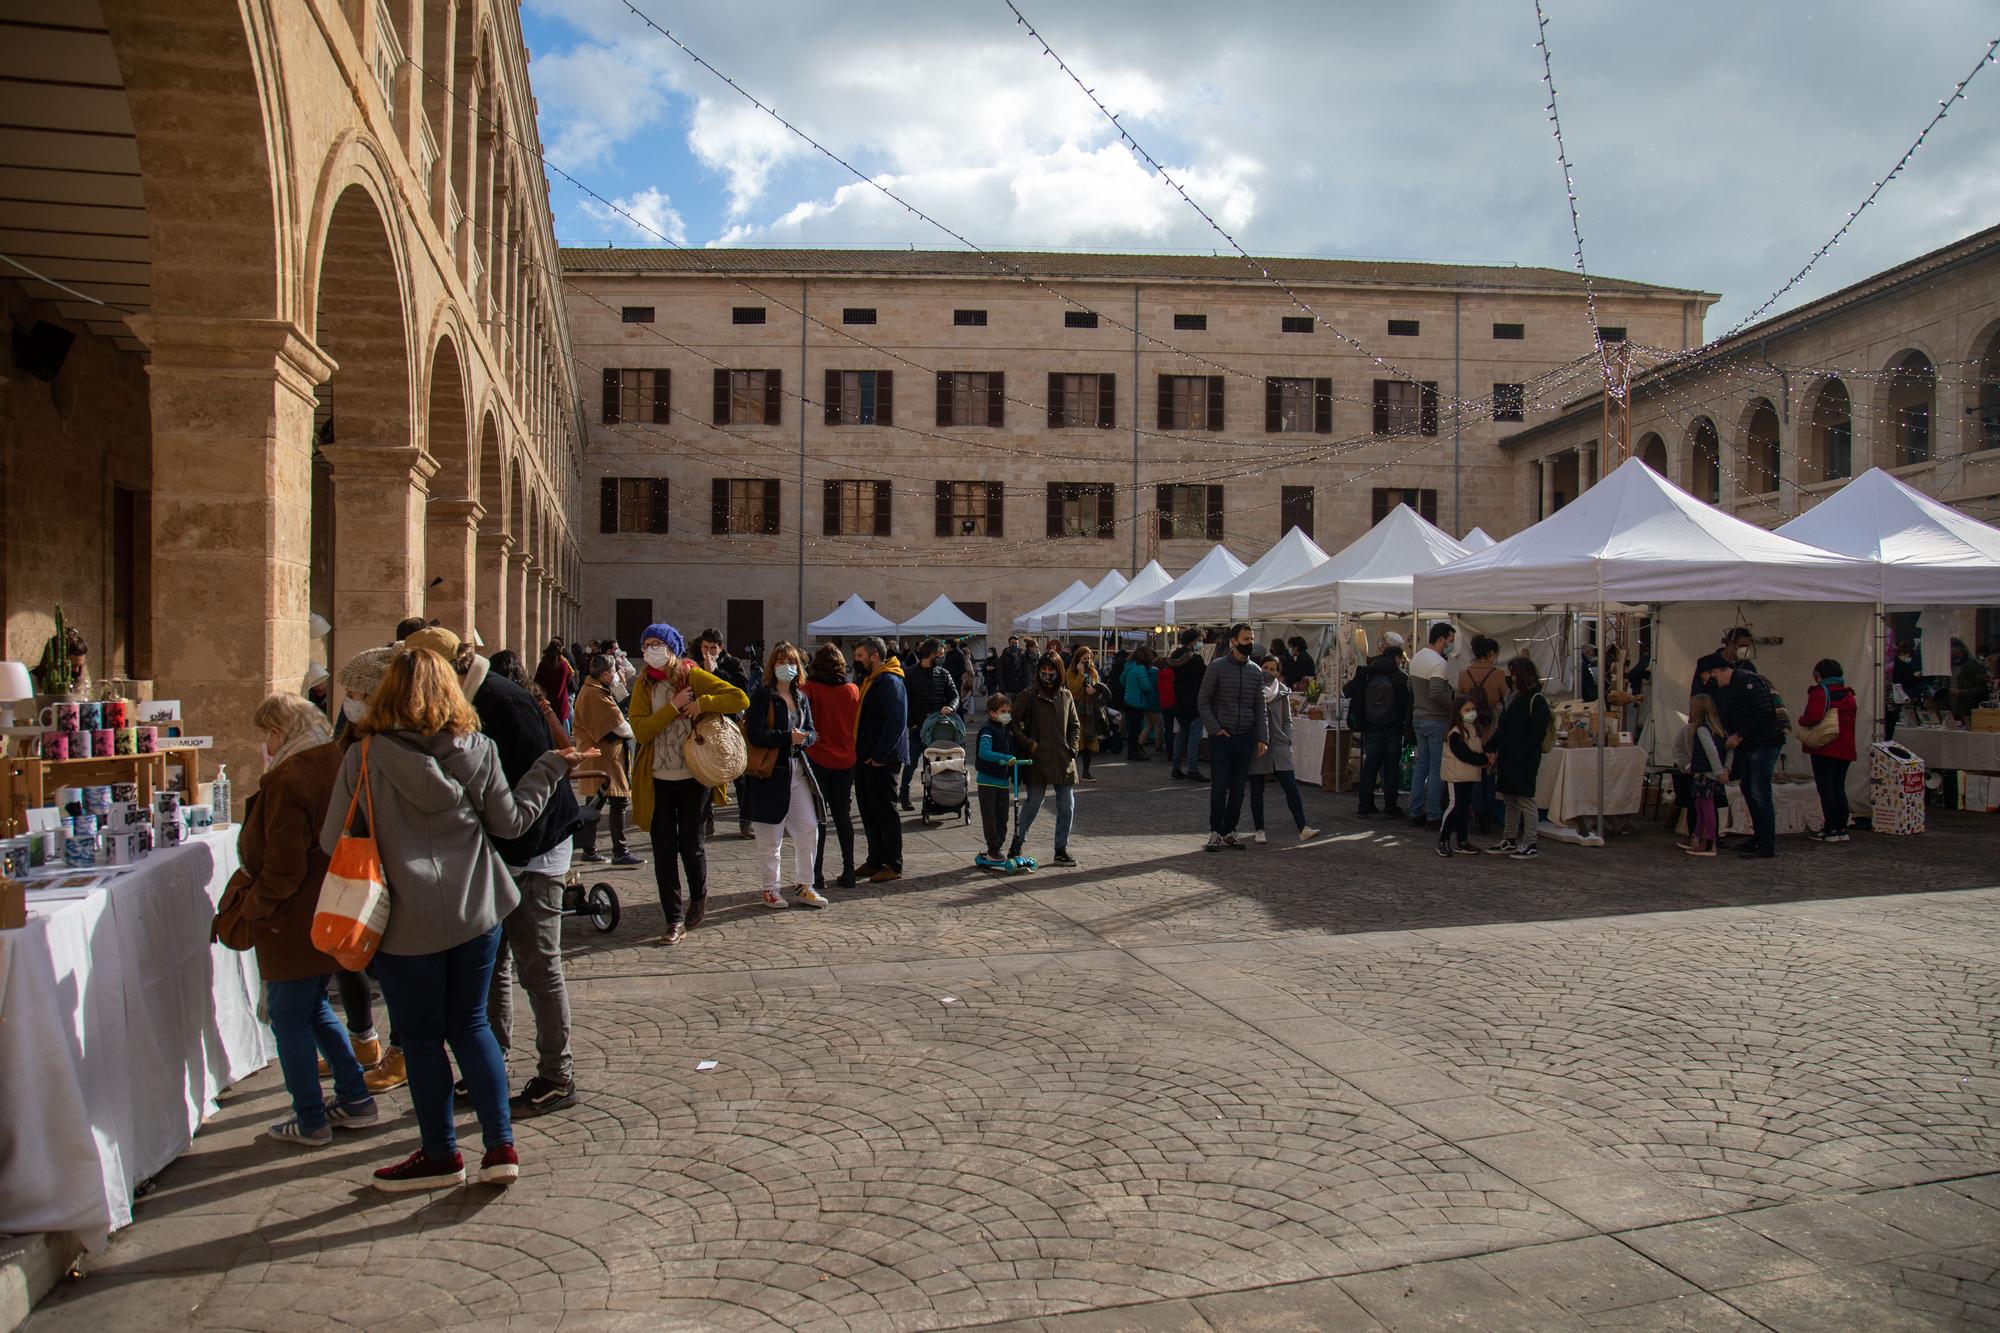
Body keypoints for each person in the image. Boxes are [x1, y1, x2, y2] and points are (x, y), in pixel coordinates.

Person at [321, 646, 581, 1191]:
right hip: (474, 908)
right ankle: (499, 1147)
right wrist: (550, 766)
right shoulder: (478, 749)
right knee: (471, 1025)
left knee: (419, 1039)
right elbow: (510, 824)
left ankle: (440, 1153)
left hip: (403, 920)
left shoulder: (364, 758)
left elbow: (332, 840)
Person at [407, 627, 586, 1116]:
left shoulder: (501, 700)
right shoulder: (470, 698)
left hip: (533, 849)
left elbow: (542, 776)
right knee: (494, 967)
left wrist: (515, 852)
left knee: (538, 964)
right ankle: (491, 1062)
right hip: (501, 850)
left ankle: (557, 1074)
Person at [225, 694, 376, 1146]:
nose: (265, 745)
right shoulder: (330, 759)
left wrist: (254, 906)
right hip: (325, 907)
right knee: (312, 1008)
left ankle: (310, 1116)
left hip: (292, 917)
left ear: (279, 732)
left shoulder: (290, 777)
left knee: (289, 1016)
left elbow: (283, 865)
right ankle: (355, 1097)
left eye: (266, 735)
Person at [629, 623, 750, 945]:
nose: (650, 650)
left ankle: (699, 896)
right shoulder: (643, 684)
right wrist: (672, 708)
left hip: (693, 776)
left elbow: (739, 698)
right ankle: (673, 919)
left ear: (671, 646)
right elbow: (641, 731)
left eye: (656, 643)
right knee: (663, 849)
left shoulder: (690, 675)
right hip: (657, 778)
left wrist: (702, 702)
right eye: (645, 645)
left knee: (691, 845)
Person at [331, 647, 399, 1089]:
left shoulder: (390, 747)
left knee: (391, 967)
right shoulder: (351, 738)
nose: (349, 700)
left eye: (357, 693)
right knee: (350, 956)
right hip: (361, 864)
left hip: (386, 867)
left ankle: (401, 1049)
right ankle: (364, 1040)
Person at [744, 642, 827, 910]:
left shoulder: (801, 696)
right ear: (772, 666)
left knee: (809, 829)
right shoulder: (762, 696)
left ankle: (805, 884)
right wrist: (786, 737)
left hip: (798, 769)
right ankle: (770, 888)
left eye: (791, 662)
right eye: (781, 662)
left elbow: (812, 730)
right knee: (771, 838)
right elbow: (754, 733)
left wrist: (806, 739)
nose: (786, 667)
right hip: (770, 773)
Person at [1198, 623, 1268, 851]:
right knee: (1220, 786)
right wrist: (1215, 728)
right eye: (1246, 639)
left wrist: (1262, 737)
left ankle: (1231, 829)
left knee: (1238, 788)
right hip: (1222, 736)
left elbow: (1260, 707)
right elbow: (1203, 700)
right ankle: (1216, 831)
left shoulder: (1255, 671)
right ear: (1234, 641)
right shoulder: (1217, 667)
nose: (1250, 643)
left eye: (1251, 639)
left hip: (1245, 736)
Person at [1009, 653, 1081, 866]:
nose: (1047, 674)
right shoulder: (1028, 695)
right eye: (1044, 670)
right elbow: (1012, 723)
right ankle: (1018, 840)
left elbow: (1075, 725)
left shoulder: (1066, 695)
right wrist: (1028, 743)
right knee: (1034, 801)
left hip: (1062, 757)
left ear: (1059, 671)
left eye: (1052, 670)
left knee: (1067, 804)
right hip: (1037, 758)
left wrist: (1073, 748)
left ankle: (1061, 848)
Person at [802, 644, 861, 892]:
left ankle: (817, 875)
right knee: (843, 817)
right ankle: (849, 871)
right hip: (846, 758)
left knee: (819, 819)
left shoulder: (810, 689)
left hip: (817, 757)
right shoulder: (852, 689)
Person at [573, 654, 641, 866]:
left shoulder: (593, 688)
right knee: (618, 801)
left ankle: (589, 848)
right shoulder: (596, 694)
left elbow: (621, 702)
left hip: (599, 755)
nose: (615, 675)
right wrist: (634, 729)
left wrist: (619, 686)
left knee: (595, 802)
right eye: (613, 672)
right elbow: (622, 726)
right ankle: (620, 850)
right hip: (604, 757)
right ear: (604, 674)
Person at [1714, 656, 1784, 859]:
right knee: (1748, 788)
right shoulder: (1733, 687)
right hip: (1753, 744)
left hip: (1764, 742)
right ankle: (1759, 837)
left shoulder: (1746, 681)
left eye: (1714, 674)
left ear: (1720, 670)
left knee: (1759, 791)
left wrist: (1739, 734)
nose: (1713, 679)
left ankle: (1766, 844)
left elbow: (1764, 712)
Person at [852, 636, 909, 883]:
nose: (856, 661)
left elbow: (896, 721)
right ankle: (875, 859)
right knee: (868, 810)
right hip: (865, 757)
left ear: (874, 655)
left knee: (885, 811)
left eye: (860, 656)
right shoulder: (869, 679)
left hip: (882, 759)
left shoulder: (889, 680)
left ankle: (892, 863)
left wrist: (879, 755)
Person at [1249, 654, 1318, 844]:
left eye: (1272, 669)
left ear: (1278, 673)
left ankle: (1302, 827)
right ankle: (1259, 829)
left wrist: (1287, 738)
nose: (1268, 672)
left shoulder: (1283, 693)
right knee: (1257, 789)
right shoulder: (1253, 691)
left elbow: (1287, 720)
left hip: (1279, 745)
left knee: (1291, 787)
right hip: (1259, 746)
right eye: (1265, 667)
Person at [694, 629, 755, 840]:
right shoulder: (695, 664)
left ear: (720, 647)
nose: (708, 651)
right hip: (704, 725)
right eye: (705, 647)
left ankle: (745, 822)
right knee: (704, 773)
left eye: (713, 647)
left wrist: (716, 671)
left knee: (740, 774)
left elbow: (741, 690)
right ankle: (706, 822)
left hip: (729, 725)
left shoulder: (733, 663)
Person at [1488, 655, 1550, 859]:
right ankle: (1510, 838)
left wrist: (1520, 752)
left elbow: (1537, 733)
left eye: (1513, 674)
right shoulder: (1513, 697)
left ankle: (1531, 841)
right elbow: (1503, 728)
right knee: (1510, 800)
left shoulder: (1536, 700)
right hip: (1508, 757)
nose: (1510, 678)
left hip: (1523, 759)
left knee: (1525, 799)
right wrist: (1493, 746)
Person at [1347, 633, 1412, 818]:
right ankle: (1391, 806)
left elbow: (1348, 691)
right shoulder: (1400, 677)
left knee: (1370, 766)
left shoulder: (1367, 672)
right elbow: (1405, 704)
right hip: (1393, 729)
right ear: (1397, 657)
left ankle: (1364, 804)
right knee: (1391, 768)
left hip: (1371, 727)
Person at [1798, 657, 1858, 844]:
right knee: (1838, 788)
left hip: (1825, 747)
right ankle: (1841, 828)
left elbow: (1813, 717)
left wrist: (1802, 720)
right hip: (1845, 747)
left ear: (1818, 674)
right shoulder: (1848, 695)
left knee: (1826, 789)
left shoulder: (1820, 692)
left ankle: (1831, 829)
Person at [899, 638, 959, 811]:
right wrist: (911, 723)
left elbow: (955, 696)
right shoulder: (909, 674)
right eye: (940, 654)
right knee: (911, 763)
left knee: (936, 763)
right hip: (917, 727)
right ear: (931, 653)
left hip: (938, 728)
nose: (942, 657)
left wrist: (950, 706)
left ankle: (936, 795)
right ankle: (904, 795)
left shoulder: (944, 674)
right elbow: (904, 702)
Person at [1407, 622, 1457, 829]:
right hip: (1435, 719)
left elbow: (1410, 687)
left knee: (1421, 767)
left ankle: (1415, 810)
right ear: (1443, 639)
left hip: (1418, 717)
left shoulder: (1416, 657)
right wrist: (1453, 707)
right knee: (1436, 768)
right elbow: (1436, 692)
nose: (1451, 646)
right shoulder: (1439, 663)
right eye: (1451, 641)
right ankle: (1434, 814)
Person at [1457, 634, 1508, 835]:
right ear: (1490, 654)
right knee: (1488, 772)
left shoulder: (1464, 675)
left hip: (1471, 729)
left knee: (1473, 772)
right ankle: (1488, 814)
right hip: (1491, 730)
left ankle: (1476, 813)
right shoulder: (1498, 675)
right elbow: (1507, 701)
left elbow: (1457, 702)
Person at [974, 693, 1028, 867]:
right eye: (1002, 711)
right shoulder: (988, 731)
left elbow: (1015, 751)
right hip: (987, 781)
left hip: (1003, 782)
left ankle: (998, 847)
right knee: (990, 817)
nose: (1007, 714)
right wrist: (1004, 757)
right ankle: (993, 849)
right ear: (992, 713)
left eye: (1008, 711)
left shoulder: (1008, 730)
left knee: (1002, 817)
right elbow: (984, 752)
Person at [1436, 693, 1489, 857]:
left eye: (1473, 709)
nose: (1472, 712)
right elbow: (1464, 754)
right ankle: (1443, 839)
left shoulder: (1472, 729)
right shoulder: (1455, 733)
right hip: (1455, 775)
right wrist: (1484, 759)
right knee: (1454, 806)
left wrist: (1484, 758)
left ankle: (1462, 841)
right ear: (1458, 712)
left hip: (1468, 775)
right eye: (1467, 709)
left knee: (1463, 807)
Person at [1682, 692, 1726, 857]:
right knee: (1700, 806)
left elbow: (1711, 751)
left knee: (1705, 807)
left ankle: (1709, 842)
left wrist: (1719, 772)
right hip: (1708, 772)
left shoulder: (1702, 729)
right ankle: (1701, 839)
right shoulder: (1716, 727)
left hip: (1706, 774)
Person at [1166, 630, 1208, 782]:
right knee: (1194, 737)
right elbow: (1205, 677)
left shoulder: (1174, 657)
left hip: (1179, 701)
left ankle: (1176, 767)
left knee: (1182, 734)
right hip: (1194, 702)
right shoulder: (1195, 660)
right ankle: (1193, 769)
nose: (1200, 643)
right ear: (1192, 641)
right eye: (1199, 640)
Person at [1065, 646, 1106, 781]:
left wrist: (1095, 690)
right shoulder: (1071, 672)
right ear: (1078, 659)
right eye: (1084, 659)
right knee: (1076, 741)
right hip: (1076, 709)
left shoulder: (1093, 672)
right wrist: (1081, 673)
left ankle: (1086, 771)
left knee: (1089, 741)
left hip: (1090, 711)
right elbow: (1073, 689)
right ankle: (1069, 770)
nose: (1087, 661)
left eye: (1089, 659)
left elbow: (1099, 687)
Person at [1693, 626, 1757, 700]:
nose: (1746, 650)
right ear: (1730, 644)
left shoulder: (1748, 667)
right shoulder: (1707, 663)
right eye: (1743, 646)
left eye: (1748, 646)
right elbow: (1697, 694)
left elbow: (1754, 693)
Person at [1120, 645, 1159, 760]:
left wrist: (1130, 686)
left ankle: (1132, 751)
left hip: (1128, 700)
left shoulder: (1129, 666)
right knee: (1135, 729)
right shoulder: (1140, 668)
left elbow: (1121, 680)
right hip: (1137, 702)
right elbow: (1146, 686)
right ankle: (1133, 752)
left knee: (1132, 728)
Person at [1948, 638, 1992, 722]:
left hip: (1968, 711)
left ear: (1961, 651)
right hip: (1950, 711)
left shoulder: (1977, 667)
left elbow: (1983, 690)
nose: (1952, 655)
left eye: (1954, 653)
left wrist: (1962, 692)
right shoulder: (1945, 667)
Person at [535, 639, 575, 726]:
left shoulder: (543, 664)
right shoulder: (563, 665)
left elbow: (537, 681)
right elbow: (567, 681)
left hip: (546, 701)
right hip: (560, 702)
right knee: (561, 728)